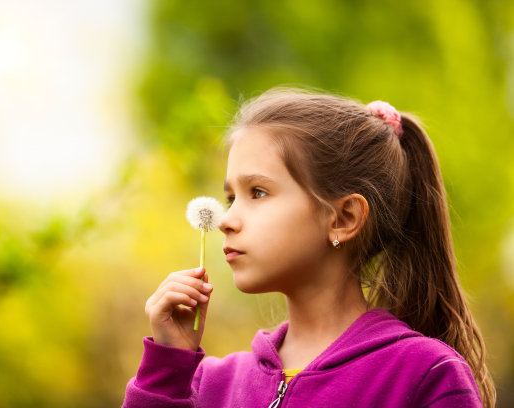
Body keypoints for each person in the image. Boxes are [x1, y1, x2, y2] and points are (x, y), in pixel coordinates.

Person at [123, 88, 496, 407]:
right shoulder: (211, 385)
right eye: (230, 196)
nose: (226, 219)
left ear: (344, 218)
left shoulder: (423, 375)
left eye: (258, 192)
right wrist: (168, 367)